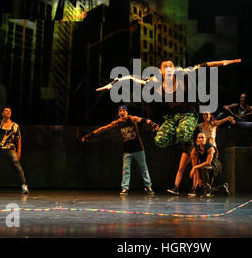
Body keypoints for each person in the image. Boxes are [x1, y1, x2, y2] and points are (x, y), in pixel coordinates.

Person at [96, 57, 241, 195]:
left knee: (183, 133)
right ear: (160, 71)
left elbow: (206, 65)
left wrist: (228, 62)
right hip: (172, 118)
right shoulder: (154, 80)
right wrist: (111, 85)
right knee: (159, 140)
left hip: (188, 114)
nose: (170, 68)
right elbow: (129, 77)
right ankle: (182, 138)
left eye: (171, 66)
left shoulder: (183, 73)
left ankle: (187, 138)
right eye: (166, 66)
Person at [81, 105, 159, 196]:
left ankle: (148, 187)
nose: (122, 112)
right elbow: (104, 128)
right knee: (126, 170)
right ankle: (125, 188)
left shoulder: (132, 119)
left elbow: (144, 120)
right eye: (120, 111)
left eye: (123, 111)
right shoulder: (118, 123)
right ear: (119, 114)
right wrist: (91, 134)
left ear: (127, 112)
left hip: (138, 149)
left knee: (144, 168)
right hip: (127, 151)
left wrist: (152, 124)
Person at [187, 112, 234, 197]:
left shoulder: (213, 124)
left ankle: (208, 190)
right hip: (202, 150)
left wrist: (227, 119)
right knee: (199, 167)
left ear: (210, 115)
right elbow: (191, 130)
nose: (205, 116)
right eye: (204, 114)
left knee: (209, 169)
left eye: (207, 114)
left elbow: (219, 122)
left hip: (211, 149)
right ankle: (195, 187)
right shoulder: (200, 126)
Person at [189, 132, 227, 198]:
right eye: (199, 138)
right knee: (202, 169)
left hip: (215, 166)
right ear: (197, 140)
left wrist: (195, 167)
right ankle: (220, 188)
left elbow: (208, 162)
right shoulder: (196, 149)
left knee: (203, 168)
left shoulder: (210, 147)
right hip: (205, 167)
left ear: (206, 139)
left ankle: (207, 191)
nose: (201, 139)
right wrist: (198, 178)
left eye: (202, 138)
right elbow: (195, 163)